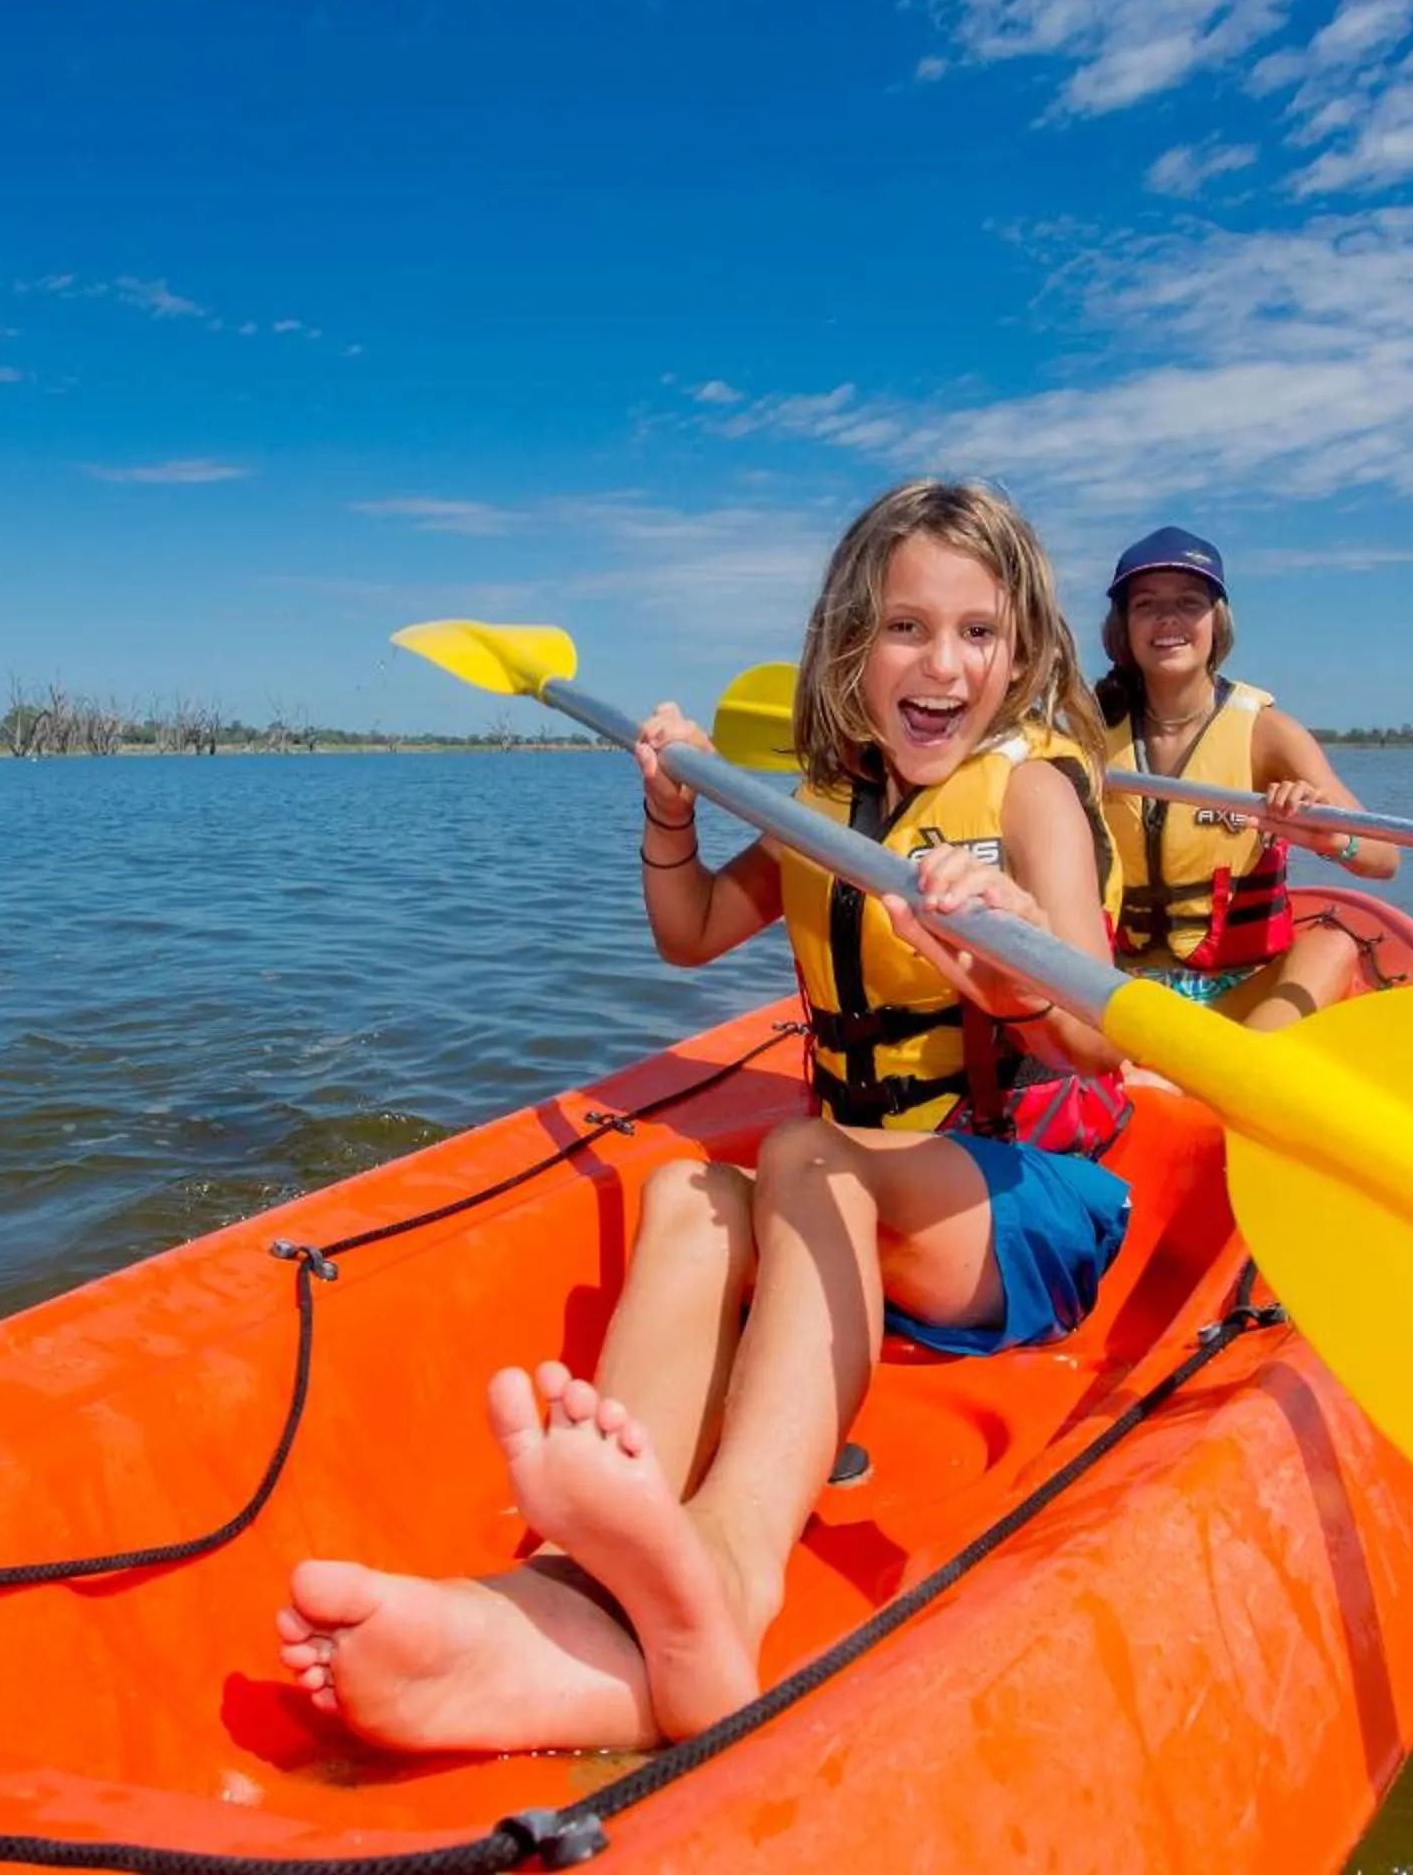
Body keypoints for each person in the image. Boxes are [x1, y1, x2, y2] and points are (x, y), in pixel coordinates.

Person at [277, 480, 1132, 1751]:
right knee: (687, 1189)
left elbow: (1097, 1024)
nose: (941, 663)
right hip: (860, 1194)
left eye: (976, 632)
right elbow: (685, 939)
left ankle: (729, 1572)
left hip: (1020, 1208)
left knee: (799, 1150)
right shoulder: (822, 809)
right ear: (852, 643)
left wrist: (998, 941)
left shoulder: (1028, 797)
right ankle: (568, 1594)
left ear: (1019, 654)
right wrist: (669, 810)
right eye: (907, 627)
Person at [1095, 525, 1401, 1031]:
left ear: (1217, 621)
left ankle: (1244, 1066)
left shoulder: (1267, 734)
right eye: (1146, 604)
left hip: (1238, 990)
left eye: (1189, 602)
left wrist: (1329, 837)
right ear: (1122, 626)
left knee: (1333, 945)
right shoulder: (1085, 731)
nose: (1168, 618)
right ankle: (1146, 1067)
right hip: (1124, 989)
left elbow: (1384, 859)